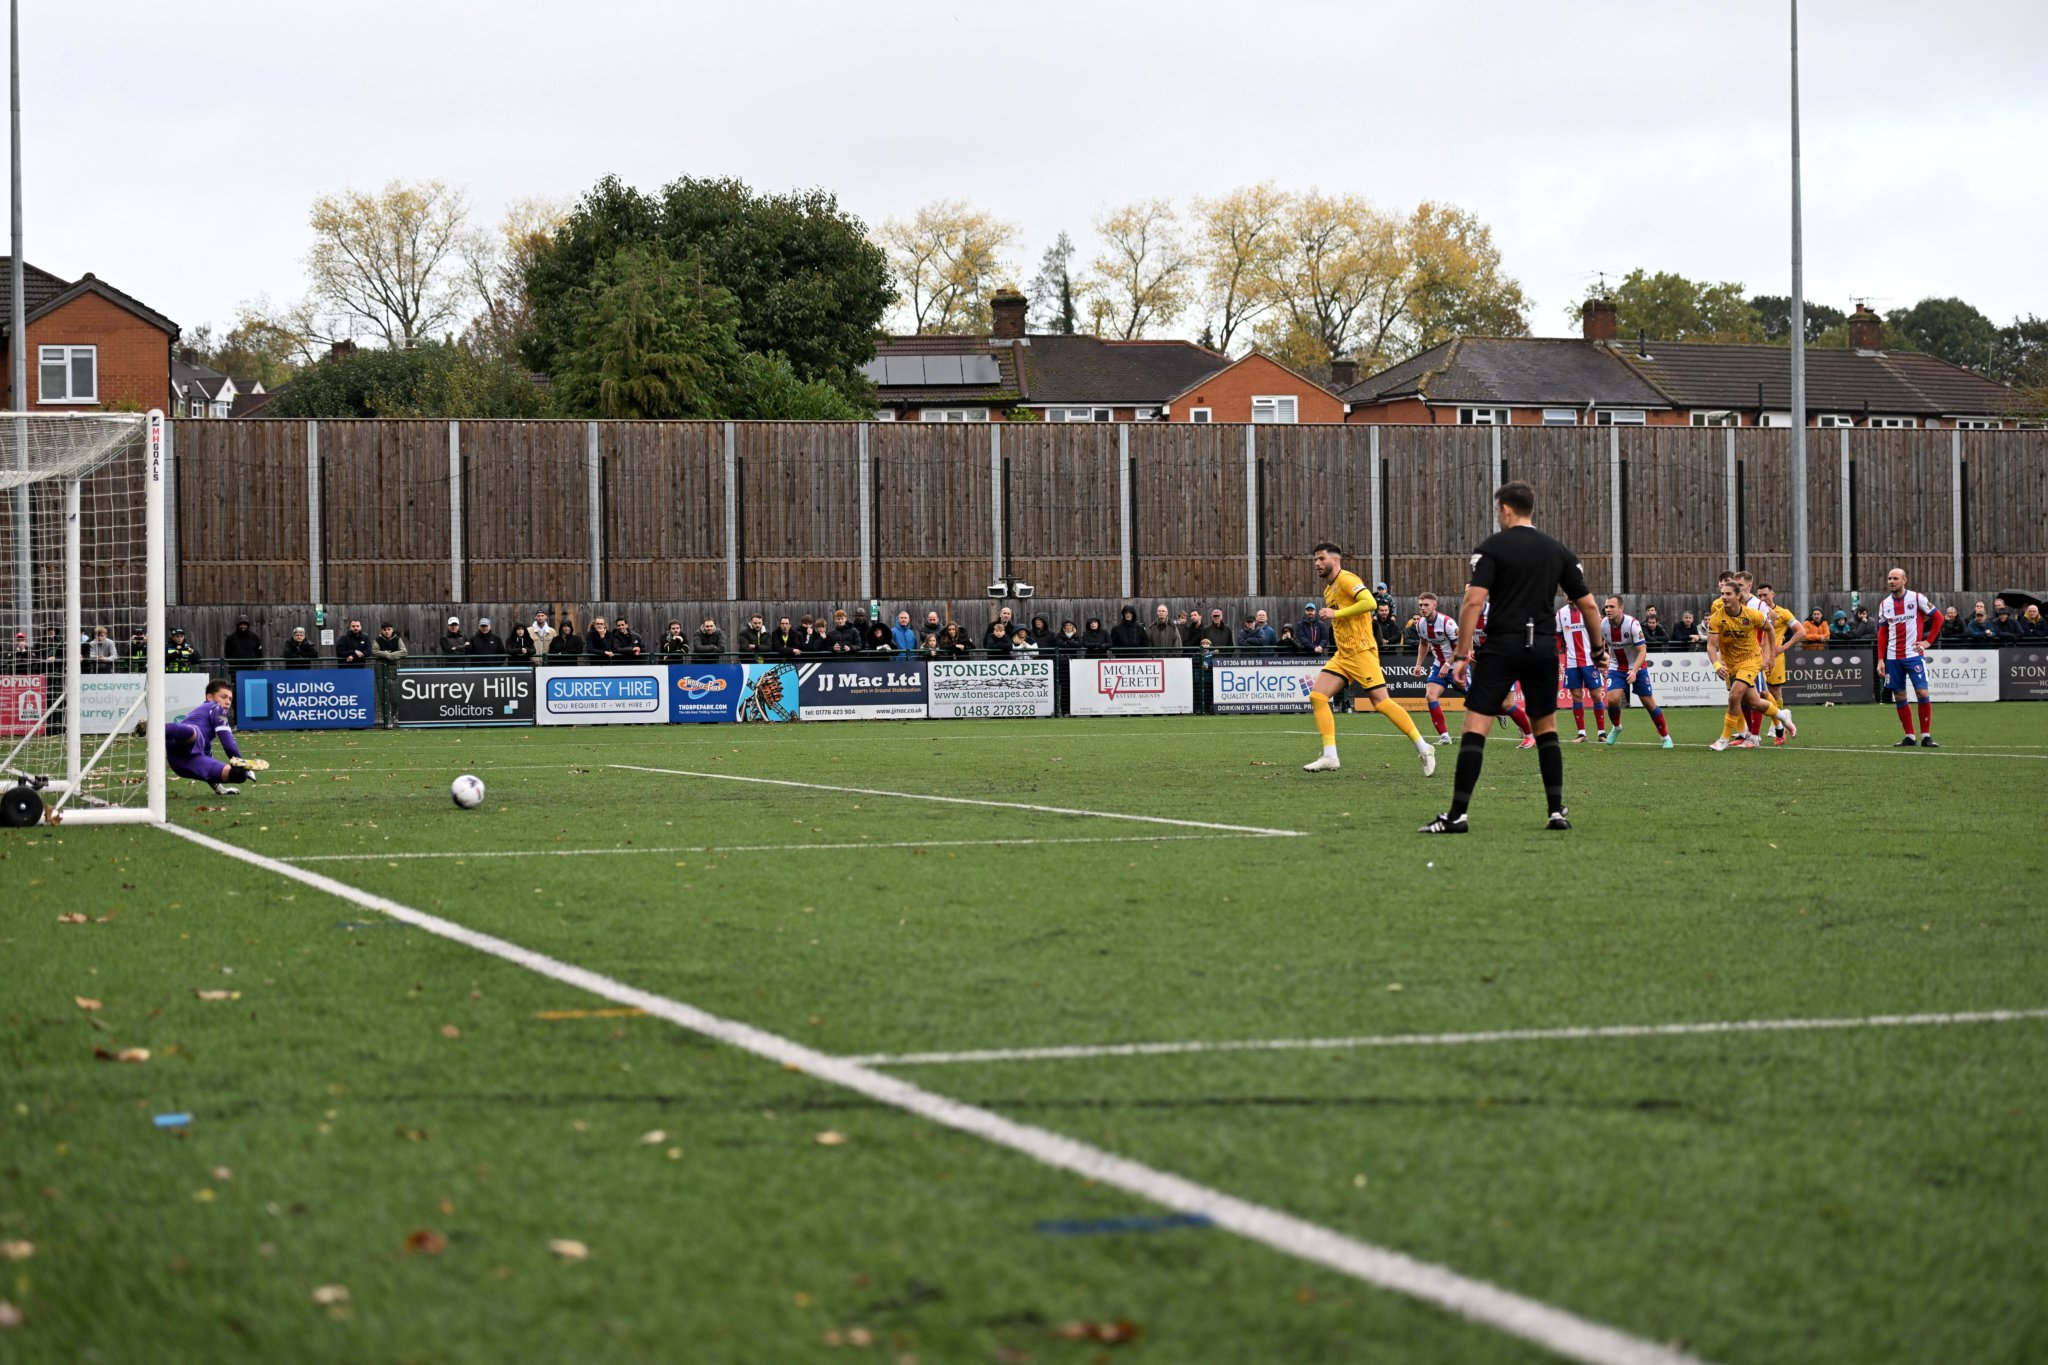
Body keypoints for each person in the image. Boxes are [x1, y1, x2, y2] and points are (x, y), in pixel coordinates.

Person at [1419, 482, 1599, 835]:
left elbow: (1473, 602)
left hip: (1501, 646)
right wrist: (1600, 649)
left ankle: (1457, 815)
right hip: (1544, 647)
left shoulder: (1493, 548)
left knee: (1475, 728)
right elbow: (1588, 604)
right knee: (1546, 728)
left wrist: (1460, 655)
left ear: (1505, 509)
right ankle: (1555, 812)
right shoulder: (1558, 550)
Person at [1302, 541, 1434, 778]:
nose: (1317, 564)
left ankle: (1424, 747)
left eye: (1321, 558)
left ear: (1335, 559)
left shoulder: (1347, 579)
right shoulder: (1329, 589)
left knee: (1381, 703)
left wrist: (1336, 613)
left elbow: (1371, 603)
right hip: (1344, 654)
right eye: (1315, 560)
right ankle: (1330, 756)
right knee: (1318, 696)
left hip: (1362, 652)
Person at [1704, 573, 1794, 752]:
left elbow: (1770, 628)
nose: (1724, 597)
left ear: (1739, 595)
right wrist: (1717, 664)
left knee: (1735, 696)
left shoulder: (1754, 612)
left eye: (1728, 593)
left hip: (1751, 660)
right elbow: (1711, 646)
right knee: (1754, 701)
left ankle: (1725, 739)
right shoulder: (1716, 616)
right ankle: (1782, 717)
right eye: (1722, 593)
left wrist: (1769, 656)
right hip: (1731, 662)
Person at [1877, 566, 1943, 747]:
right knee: (1899, 695)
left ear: (1904, 580)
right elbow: (1882, 633)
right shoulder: (1884, 604)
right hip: (1892, 658)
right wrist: (1881, 659)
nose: (1891, 581)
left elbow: (1939, 618)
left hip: (1914, 655)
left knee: (1922, 692)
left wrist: (1928, 642)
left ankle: (1926, 736)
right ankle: (1910, 737)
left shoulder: (1917, 598)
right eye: (1890, 578)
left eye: (1895, 578)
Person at [1599, 596, 1673, 748]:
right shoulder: (1603, 625)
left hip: (1637, 666)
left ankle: (1665, 736)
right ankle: (1617, 727)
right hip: (1616, 667)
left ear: (1621, 608)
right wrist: (1601, 662)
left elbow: (1642, 651)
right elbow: (1600, 644)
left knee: (1648, 703)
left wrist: (1634, 670)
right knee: (1612, 700)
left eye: (1612, 607)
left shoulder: (1632, 624)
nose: (1608, 610)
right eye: (1606, 607)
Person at [164, 678, 257, 797]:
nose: (228, 702)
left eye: (230, 699)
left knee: (240, 776)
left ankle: (156, 728)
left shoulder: (207, 737)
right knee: (193, 732)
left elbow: (207, 756)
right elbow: (229, 745)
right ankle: (154, 727)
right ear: (210, 697)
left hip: (182, 763)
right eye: (223, 697)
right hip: (181, 741)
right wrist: (244, 765)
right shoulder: (215, 707)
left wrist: (220, 788)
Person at [1411, 591, 1465, 746]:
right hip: (1438, 665)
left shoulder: (1447, 622)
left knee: (1477, 701)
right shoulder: (1420, 624)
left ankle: (1498, 712)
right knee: (1430, 696)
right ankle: (1444, 736)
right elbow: (1423, 644)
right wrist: (1419, 664)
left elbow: (1460, 647)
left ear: (1434, 605)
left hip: (1457, 665)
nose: (1423, 608)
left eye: (1426, 605)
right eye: (1420, 605)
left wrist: (1448, 664)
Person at [1555, 600, 1607, 742]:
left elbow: (1601, 635)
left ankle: (1601, 733)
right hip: (1571, 662)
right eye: (1566, 593)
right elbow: (1557, 638)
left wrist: (1601, 656)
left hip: (1591, 661)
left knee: (1596, 695)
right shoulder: (1560, 614)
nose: (1569, 596)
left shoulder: (1590, 609)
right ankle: (1582, 734)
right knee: (1576, 696)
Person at [1755, 584, 1799, 744]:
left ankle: (1776, 724)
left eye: (1765, 595)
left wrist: (1782, 648)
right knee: (1758, 693)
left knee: (1774, 691)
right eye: (1759, 595)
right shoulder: (1756, 611)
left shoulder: (1783, 613)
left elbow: (1801, 632)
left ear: (1773, 594)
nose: (1762, 598)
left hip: (1775, 658)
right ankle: (1777, 719)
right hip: (1758, 657)